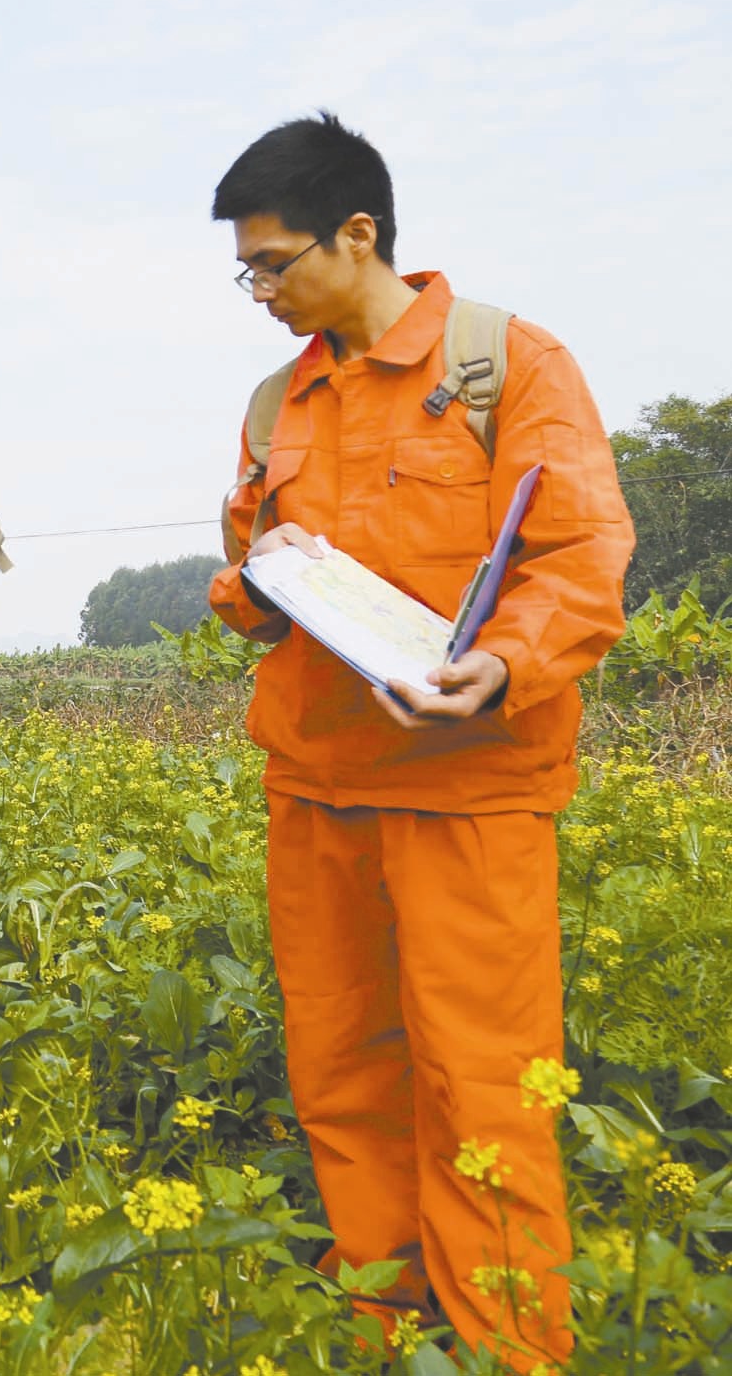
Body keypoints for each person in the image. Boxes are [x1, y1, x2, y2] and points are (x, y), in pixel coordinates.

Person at [205, 114, 633, 1369]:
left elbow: (580, 560)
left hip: (471, 786)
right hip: (318, 783)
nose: (262, 292)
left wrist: (499, 666)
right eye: (249, 271)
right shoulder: (273, 401)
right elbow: (240, 579)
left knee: (482, 1081)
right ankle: (381, 1324)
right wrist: (255, 579)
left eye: (276, 264)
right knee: (340, 1066)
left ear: (359, 233)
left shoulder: (509, 362)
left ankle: (509, 1344)